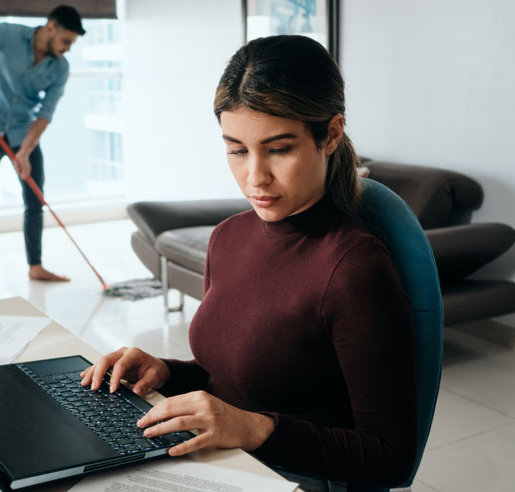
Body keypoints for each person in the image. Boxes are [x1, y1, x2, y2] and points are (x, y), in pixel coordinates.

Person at [80, 35, 418, 491]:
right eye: (237, 150)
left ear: (331, 134)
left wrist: (255, 428)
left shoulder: (354, 268)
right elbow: (238, 379)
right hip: (217, 461)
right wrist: (167, 372)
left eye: (279, 149)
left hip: (292, 478)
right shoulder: (228, 237)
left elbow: (391, 459)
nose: (255, 176)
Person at [0, 5, 85, 288]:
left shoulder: (60, 68)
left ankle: (35, 267)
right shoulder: (6, 34)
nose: (68, 48)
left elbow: (45, 113)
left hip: (23, 135)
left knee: (34, 201)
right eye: (66, 41)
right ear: (50, 28)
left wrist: (24, 151)